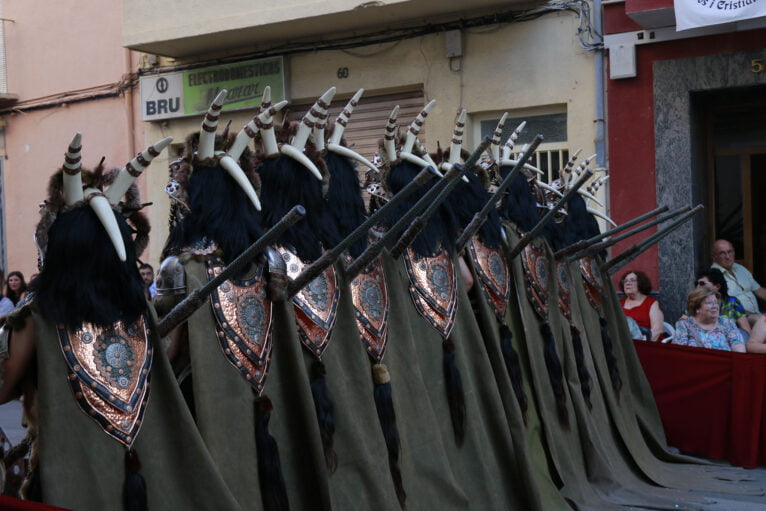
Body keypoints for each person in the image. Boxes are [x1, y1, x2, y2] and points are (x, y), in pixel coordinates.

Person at [673, 287, 745, 352]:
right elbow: (679, 353)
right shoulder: (684, 325)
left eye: (716, 303)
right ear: (697, 308)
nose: (715, 306)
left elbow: (739, 350)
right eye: (709, 303)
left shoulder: (727, 322)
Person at [710, 239, 766, 318]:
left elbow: (759, 290)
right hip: (738, 318)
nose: (728, 256)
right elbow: (725, 307)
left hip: (757, 314)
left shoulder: (740, 268)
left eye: (730, 252)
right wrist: (755, 316)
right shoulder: (713, 276)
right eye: (722, 253)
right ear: (714, 256)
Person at [691, 268, 750, 339]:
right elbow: (683, 325)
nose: (698, 287)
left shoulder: (732, 302)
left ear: (717, 287)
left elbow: (746, 331)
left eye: (702, 284)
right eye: (696, 284)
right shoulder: (694, 302)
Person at [619, 270, 664, 342]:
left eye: (632, 280)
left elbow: (657, 330)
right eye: (625, 281)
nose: (627, 283)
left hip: (645, 343)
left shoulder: (651, 303)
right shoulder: (619, 304)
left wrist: (642, 342)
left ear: (640, 283)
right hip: (623, 344)